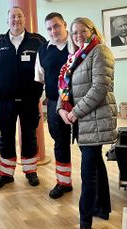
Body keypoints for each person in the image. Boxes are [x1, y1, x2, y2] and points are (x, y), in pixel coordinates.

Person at [57, 17, 117, 229]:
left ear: (93, 31)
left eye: (83, 30)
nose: (78, 35)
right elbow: (63, 87)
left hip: (94, 119)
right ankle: (102, 207)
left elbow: (100, 88)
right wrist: (62, 109)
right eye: (74, 32)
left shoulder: (100, 51)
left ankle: (85, 222)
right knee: (94, 163)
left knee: (88, 170)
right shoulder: (74, 57)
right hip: (82, 122)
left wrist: (75, 113)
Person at [0, 6, 46, 189]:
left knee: (29, 135)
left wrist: (47, 92)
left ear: (25, 19)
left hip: (29, 100)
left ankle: (30, 171)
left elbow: (48, 66)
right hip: (5, 101)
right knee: (6, 137)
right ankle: (6, 173)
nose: (16, 20)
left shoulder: (37, 41)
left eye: (19, 16)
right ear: (7, 21)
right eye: (12, 17)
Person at [35, 12, 73, 199]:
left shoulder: (77, 45)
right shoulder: (43, 51)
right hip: (53, 103)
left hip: (79, 103)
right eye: (49, 28)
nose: (53, 31)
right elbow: (40, 78)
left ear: (65, 24)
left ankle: (93, 183)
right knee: (60, 143)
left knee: (87, 146)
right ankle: (64, 182)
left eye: (56, 26)